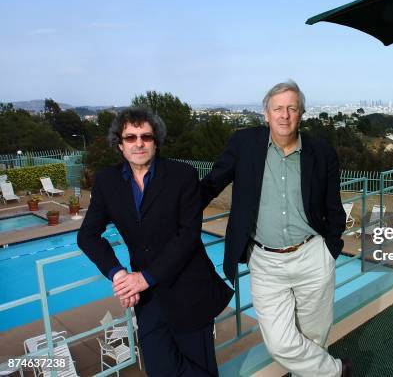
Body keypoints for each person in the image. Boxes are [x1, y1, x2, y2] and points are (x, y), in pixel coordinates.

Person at [201, 80, 351, 376]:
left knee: (314, 336)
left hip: (312, 254)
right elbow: (211, 184)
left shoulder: (321, 152)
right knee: (280, 342)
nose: (285, 115)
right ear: (266, 114)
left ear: (301, 114)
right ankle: (336, 372)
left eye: (291, 108)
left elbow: (333, 207)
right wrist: (176, 208)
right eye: (278, 108)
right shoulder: (244, 144)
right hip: (266, 261)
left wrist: (330, 247)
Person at [77, 107, 233, 376]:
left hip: (189, 292)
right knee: (160, 369)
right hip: (148, 301)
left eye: (146, 137)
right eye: (131, 137)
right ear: (120, 144)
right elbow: (87, 236)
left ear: (156, 141)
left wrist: (145, 278)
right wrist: (118, 274)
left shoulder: (182, 175)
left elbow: (188, 235)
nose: (139, 143)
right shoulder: (107, 182)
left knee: (200, 368)